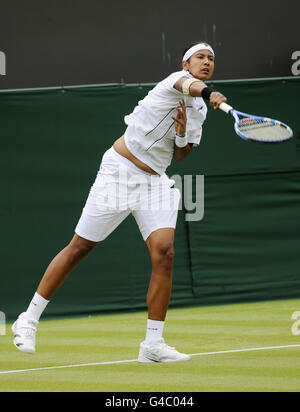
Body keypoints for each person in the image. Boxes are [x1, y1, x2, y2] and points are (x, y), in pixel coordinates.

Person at [12, 41, 227, 363]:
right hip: (119, 173)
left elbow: (181, 156)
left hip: (155, 182)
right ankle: (27, 319)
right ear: (185, 64)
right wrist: (210, 93)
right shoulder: (175, 81)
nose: (206, 62)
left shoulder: (197, 112)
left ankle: (152, 345)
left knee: (165, 254)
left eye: (211, 59)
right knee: (80, 248)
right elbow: (191, 86)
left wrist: (181, 135)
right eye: (200, 57)